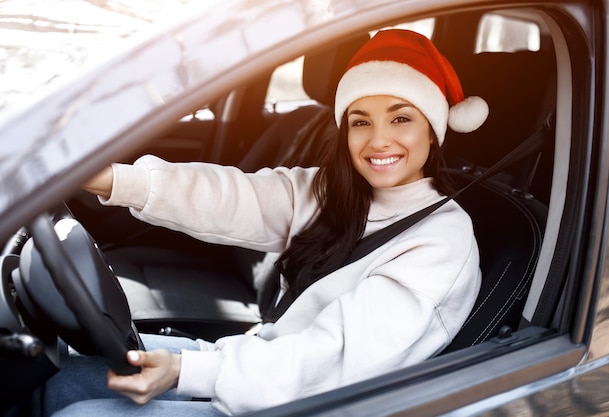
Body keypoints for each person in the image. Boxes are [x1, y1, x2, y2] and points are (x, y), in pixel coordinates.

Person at [42, 29, 488, 416]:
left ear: (433, 129)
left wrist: (189, 371)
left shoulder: (441, 243)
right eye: (360, 121)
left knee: (79, 411)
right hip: (265, 360)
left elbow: (334, 362)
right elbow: (227, 196)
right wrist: (107, 178)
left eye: (401, 118)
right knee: (60, 378)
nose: (378, 140)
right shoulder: (332, 191)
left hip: (314, 399)